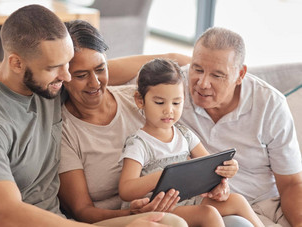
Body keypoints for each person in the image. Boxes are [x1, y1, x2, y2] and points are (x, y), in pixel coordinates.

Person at [0, 5, 186, 227]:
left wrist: (189, 62)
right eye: (56, 67)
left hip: (62, 221)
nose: (67, 76)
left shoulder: (46, 84)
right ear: (16, 63)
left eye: (69, 65)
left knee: (173, 223)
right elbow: (3, 215)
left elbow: (117, 70)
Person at [58, 20, 252, 227]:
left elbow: (176, 69)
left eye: (100, 69)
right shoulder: (65, 131)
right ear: (63, 75)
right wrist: (135, 213)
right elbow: (83, 211)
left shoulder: (146, 98)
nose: (95, 83)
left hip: (178, 202)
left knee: (237, 213)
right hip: (123, 217)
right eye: (80, 75)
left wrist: (220, 181)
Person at [108, 27, 302, 227]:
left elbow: (291, 184)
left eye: (217, 75)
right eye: (197, 69)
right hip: (181, 205)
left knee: (236, 206)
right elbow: (104, 74)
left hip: (246, 203)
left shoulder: (270, 104)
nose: (202, 84)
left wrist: (224, 178)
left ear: (240, 74)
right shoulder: (172, 87)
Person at [118, 58, 264, 227]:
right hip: (160, 207)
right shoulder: (139, 143)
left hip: (189, 200)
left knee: (238, 200)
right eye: (159, 102)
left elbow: (210, 166)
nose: (169, 110)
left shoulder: (184, 134)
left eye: (176, 102)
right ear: (140, 100)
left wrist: (226, 173)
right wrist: (163, 176)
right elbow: (126, 190)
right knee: (208, 214)